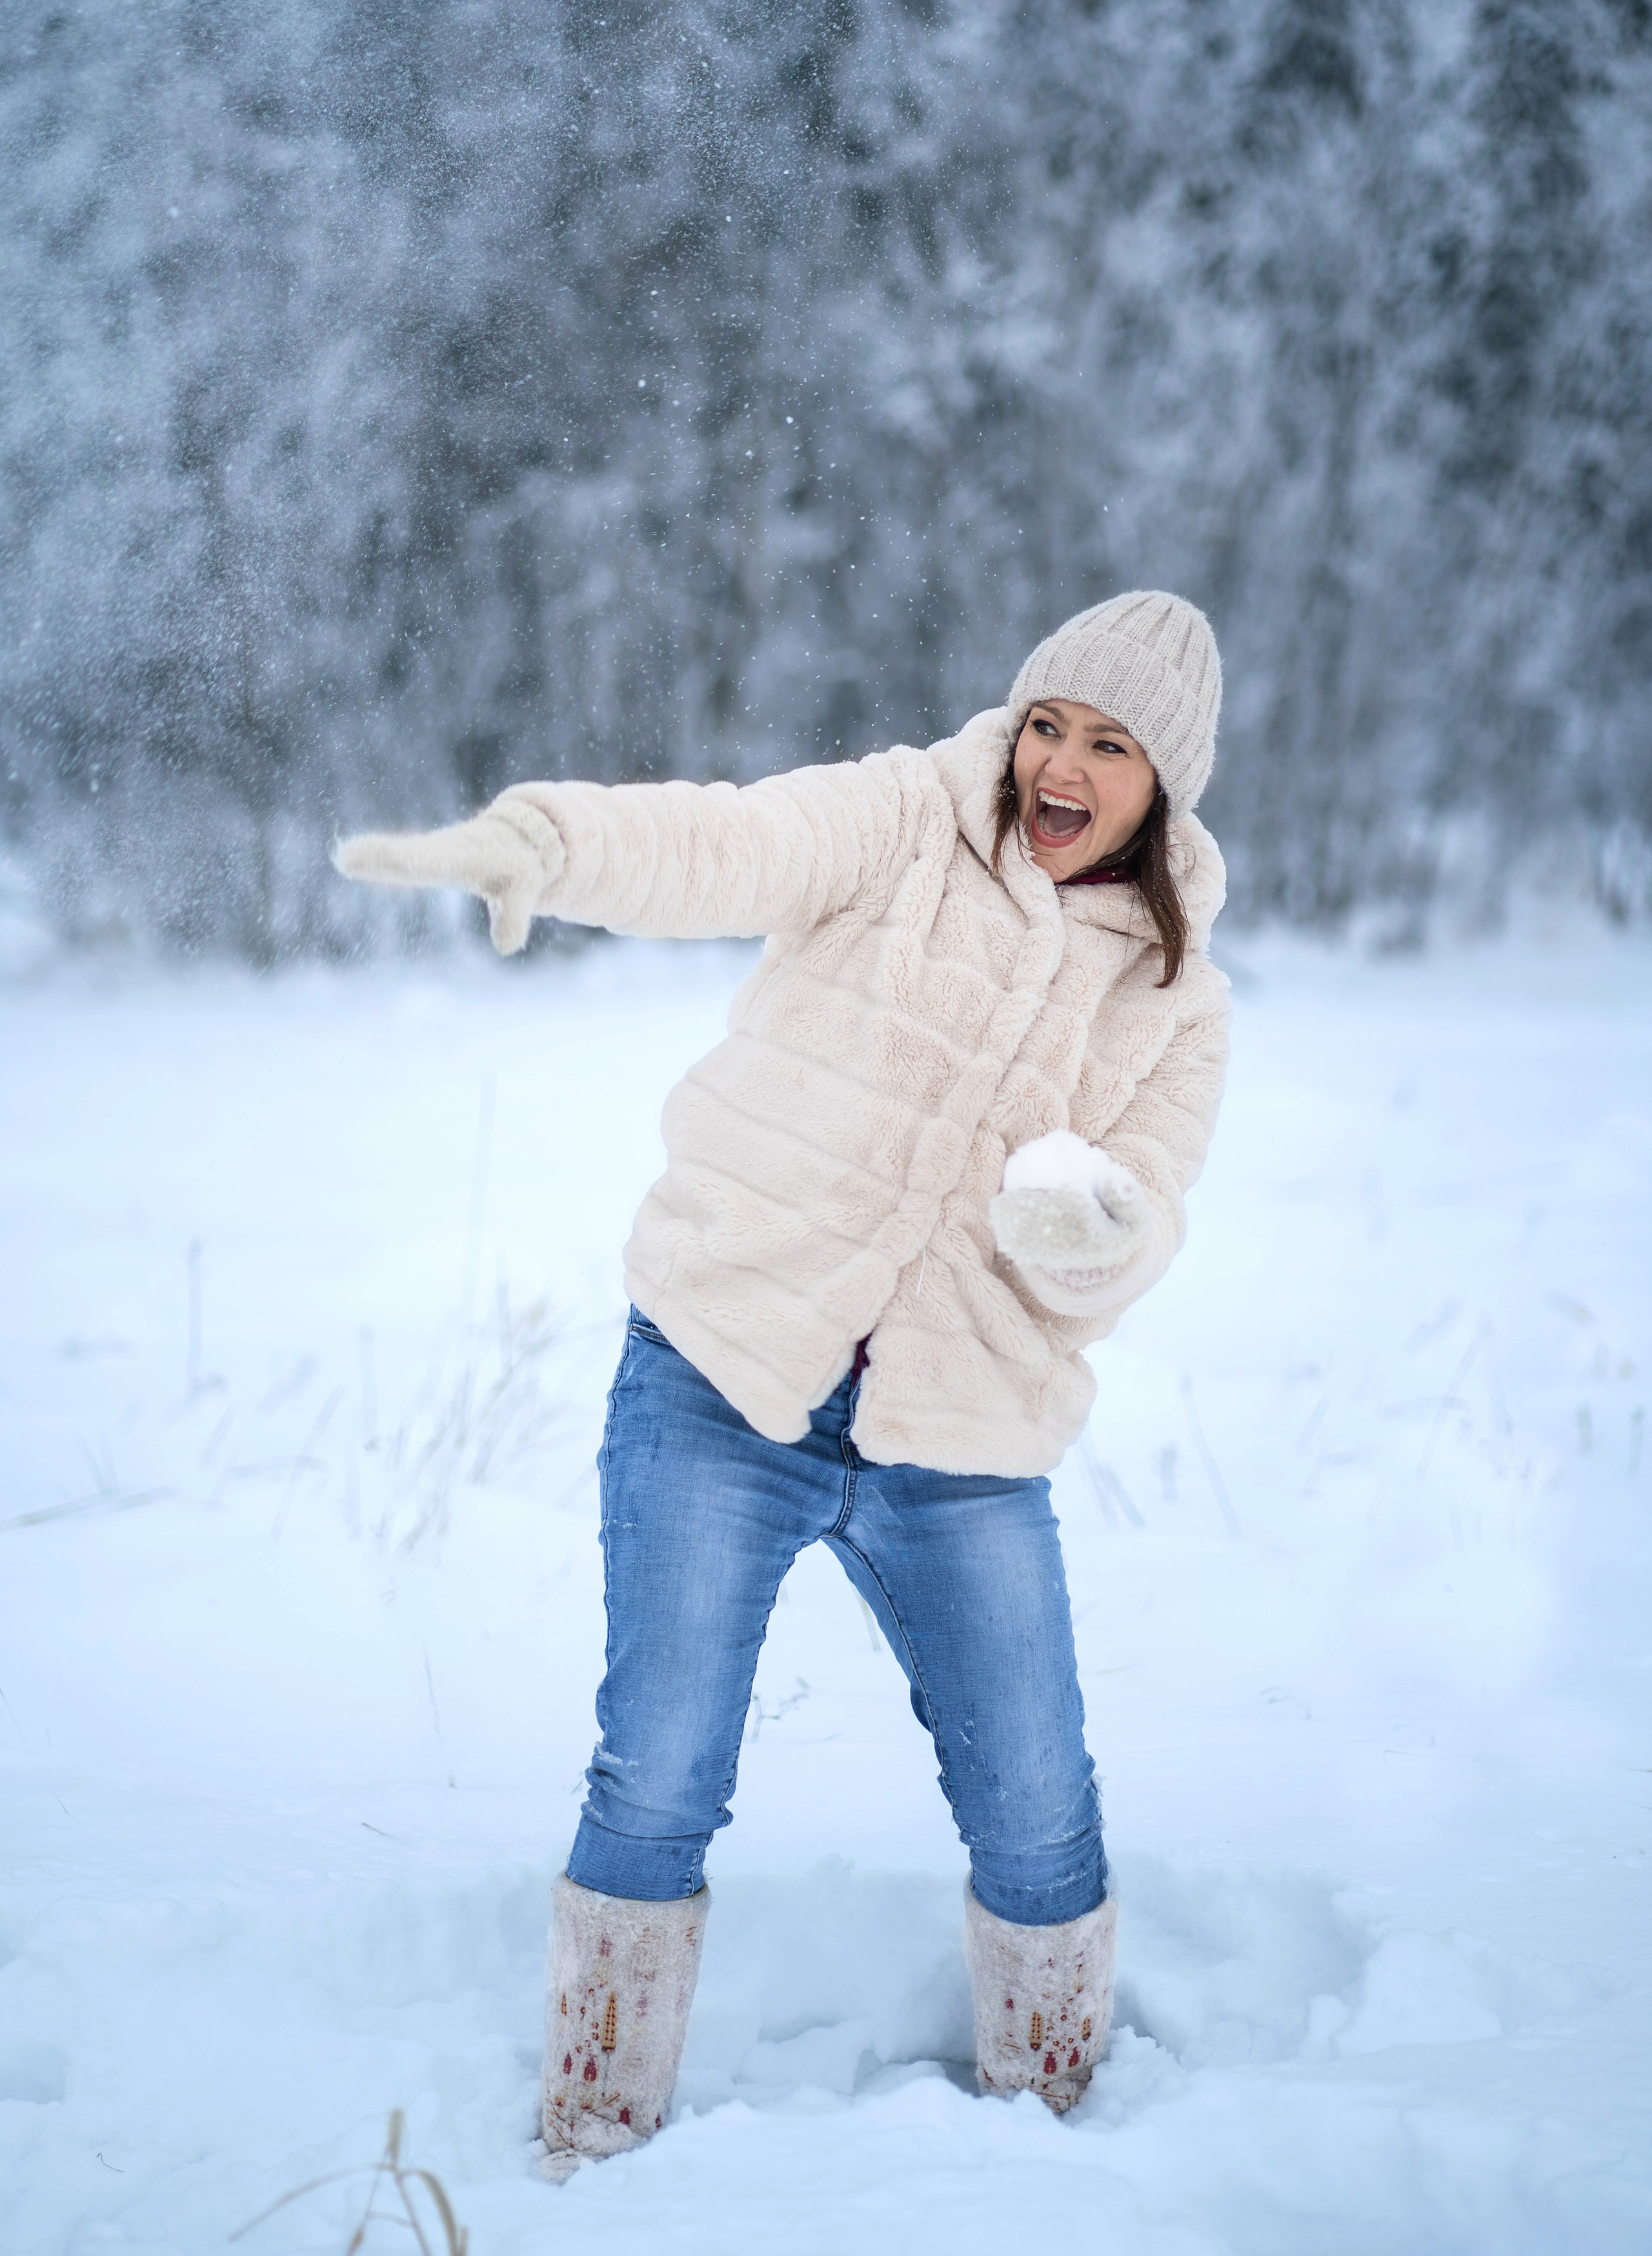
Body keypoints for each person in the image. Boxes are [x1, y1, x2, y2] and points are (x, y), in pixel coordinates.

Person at [336, 589, 1229, 2175]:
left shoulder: (1173, 996)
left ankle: (1068, 2153)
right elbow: (723, 845)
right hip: (720, 1374)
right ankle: (591, 2141)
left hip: (959, 1433)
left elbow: (1139, 1218)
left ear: (1165, 784)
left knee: (1036, 1809)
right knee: (658, 1770)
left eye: (1108, 743)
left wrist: (1083, 1229)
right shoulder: (901, 822)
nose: (1061, 762)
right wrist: (545, 844)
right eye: (1046, 722)